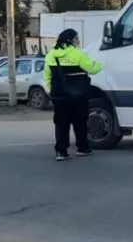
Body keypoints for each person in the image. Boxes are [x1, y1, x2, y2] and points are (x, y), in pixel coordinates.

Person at [44, 28, 103, 161]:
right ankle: (82, 148)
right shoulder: (77, 54)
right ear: (70, 40)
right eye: (76, 38)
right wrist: (100, 65)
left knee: (61, 123)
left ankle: (61, 151)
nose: (78, 41)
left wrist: (51, 89)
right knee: (80, 121)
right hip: (77, 95)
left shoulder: (51, 55)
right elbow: (92, 69)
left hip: (58, 95)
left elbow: (47, 74)